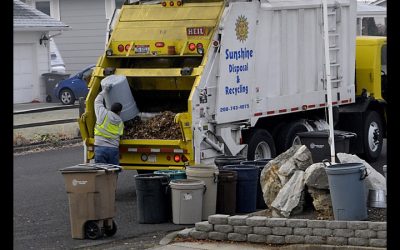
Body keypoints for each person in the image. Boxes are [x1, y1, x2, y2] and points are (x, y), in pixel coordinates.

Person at [94, 85, 124, 165]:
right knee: (113, 172)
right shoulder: (120, 122)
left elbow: (97, 101)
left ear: (110, 108)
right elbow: (120, 134)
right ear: (119, 112)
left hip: (99, 147)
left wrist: (105, 90)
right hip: (113, 149)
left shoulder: (102, 112)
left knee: (100, 171)